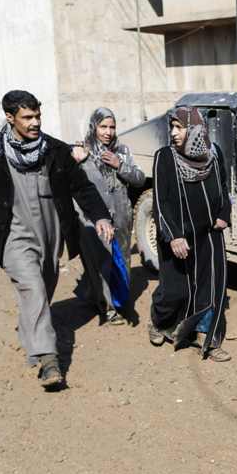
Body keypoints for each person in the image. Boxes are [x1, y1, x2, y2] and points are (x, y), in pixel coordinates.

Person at [0, 90, 114, 390]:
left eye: (37, 116)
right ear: (9, 117)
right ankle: (48, 360)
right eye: (27, 117)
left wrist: (101, 216)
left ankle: (33, 337)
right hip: (12, 233)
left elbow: (81, 187)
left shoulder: (54, 150)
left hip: (50, 232)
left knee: (44, 285)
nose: (34, 122)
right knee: (33, 287)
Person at [148, 106, 232, 362]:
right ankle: (159, 321)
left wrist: (223, 214)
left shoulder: (214, 154)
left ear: (195, 129)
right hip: (179, 238)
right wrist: (173, 235)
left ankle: (209, 338)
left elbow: (224, 188)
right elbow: (161, 202)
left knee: (212, 287)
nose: (173, 133)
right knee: (175, 290)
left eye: (179, 127)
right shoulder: (165, 157)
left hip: (209, 234)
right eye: (171, 127)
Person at [71, 108, 146, 325]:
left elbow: (139, 179)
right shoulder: (82, 151)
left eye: (112, 127)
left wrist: (119, 165)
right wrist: (79, 160)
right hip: (95, 218)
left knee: (122, 261)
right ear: (94, 126)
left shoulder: (121, 151)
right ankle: (108, 309)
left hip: (122, 215)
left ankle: (120, 302)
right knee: (102, 263)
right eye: (103, 126)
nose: (108, 132)